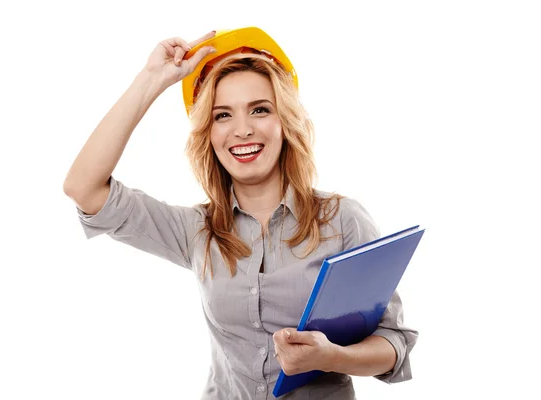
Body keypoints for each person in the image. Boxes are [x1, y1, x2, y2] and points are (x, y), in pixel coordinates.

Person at [63, 27, 418, 400]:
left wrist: (332, 357)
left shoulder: (341, 219)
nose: (242, 130)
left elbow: (393, 342)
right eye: (222, 116)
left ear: (284, 122)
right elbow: (83, 188)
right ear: (208, 133)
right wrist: (151, 80)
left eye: (260, 110)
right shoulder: (197, 230)